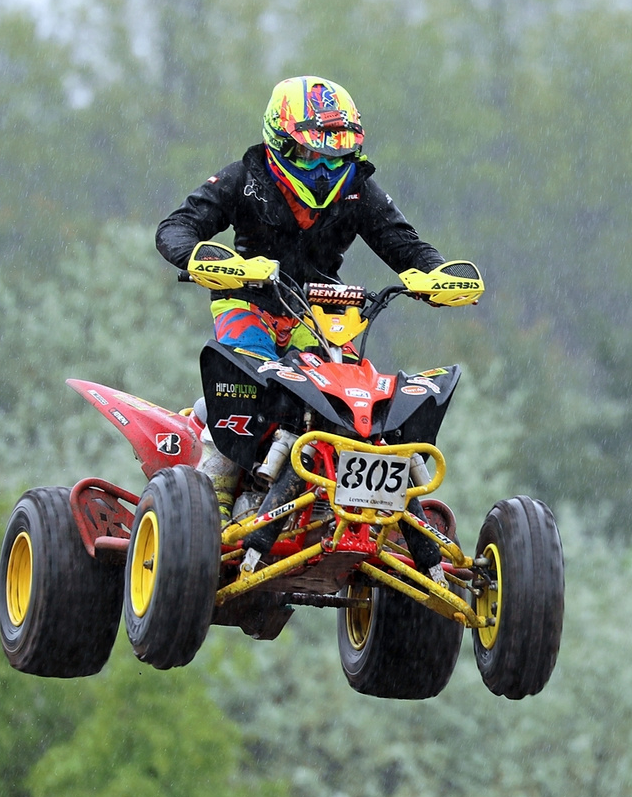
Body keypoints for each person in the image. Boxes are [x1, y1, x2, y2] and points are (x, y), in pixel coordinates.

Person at [156, 76, 477, 523]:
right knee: (248, 390)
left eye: (339, 155)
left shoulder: (358, 189)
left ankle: (371, 509)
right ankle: (210, 499)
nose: (326, 168)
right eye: (312, 154)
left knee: (357, 407)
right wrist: (203, 257)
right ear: (281, 144)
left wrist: (436, 274)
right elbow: (176, 227)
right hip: (247, 302)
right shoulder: (245, 177)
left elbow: (402, 244)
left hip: (321, 313)